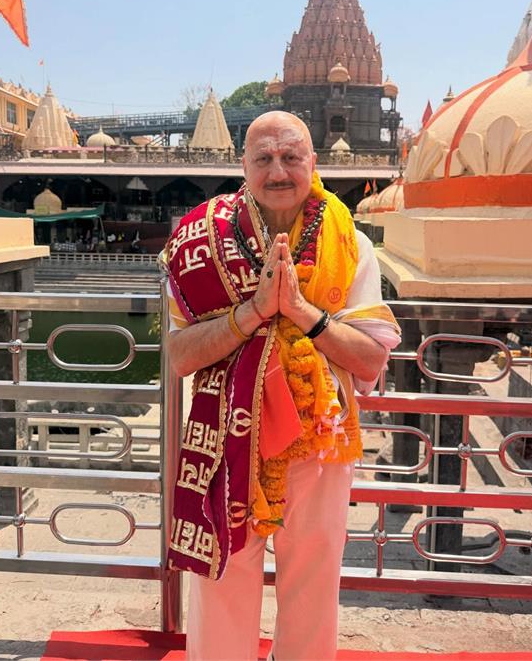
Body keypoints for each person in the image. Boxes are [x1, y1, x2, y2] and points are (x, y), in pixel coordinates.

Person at [163, 111, 400, 661]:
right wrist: (251, 312)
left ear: (313, 163)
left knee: (313, 580)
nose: (278, 172)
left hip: (320, 438)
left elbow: (370, 359)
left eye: (291, 157)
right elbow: (179, 357)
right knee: (222, 577)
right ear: (242, 166)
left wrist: (301, 312)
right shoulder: (203, 242)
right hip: (226, 434)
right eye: (264, 158)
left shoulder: (350, 243)